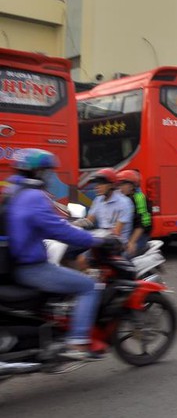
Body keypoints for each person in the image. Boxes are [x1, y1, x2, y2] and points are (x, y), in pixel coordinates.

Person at [3, 148, 105, 360]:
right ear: (38, 172)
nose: (49, 176)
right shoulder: (34, 196)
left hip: (13, 263)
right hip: (31, 267)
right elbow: (57, 229)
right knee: (89, 286)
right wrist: (93, 240)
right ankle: (77, 342)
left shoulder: (13, 191)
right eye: (48, 172)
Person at [75, 168, 134, 244]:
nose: (97, 187)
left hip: (117, 244)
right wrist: (72, 225)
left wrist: (93, 235)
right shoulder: (98, 200)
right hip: (102, 240)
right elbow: (89, 221)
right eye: (97, 184)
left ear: (111, 185)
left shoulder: (124, 202)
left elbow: (116, 232)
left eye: (101, 184)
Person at [116, 169, 152, 257]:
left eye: (123, 184)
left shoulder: (139, 198)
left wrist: (132, 242)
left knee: (123, 257)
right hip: (124, 234)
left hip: (139, 235)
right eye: (119, 184)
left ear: (132, 186)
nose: (120, 187)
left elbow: (142, 224)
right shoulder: (120, 199)